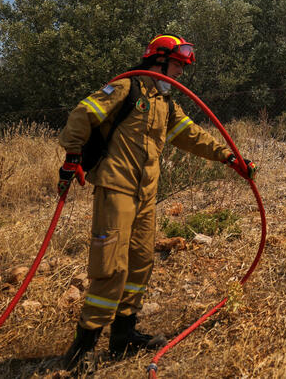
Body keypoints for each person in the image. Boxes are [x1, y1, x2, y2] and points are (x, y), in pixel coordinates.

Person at [57, 35, 257, 369]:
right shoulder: (125, 88)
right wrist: (73, 155)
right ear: (160, 60)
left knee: (139, 263)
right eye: (178, 64)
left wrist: (228, 157)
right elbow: (82, 114)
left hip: (146, 194)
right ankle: (84, 345)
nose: (180, 71)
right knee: (111, 266)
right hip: (116, 187)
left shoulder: (164, 99)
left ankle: (123, 336)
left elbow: (191, 135)